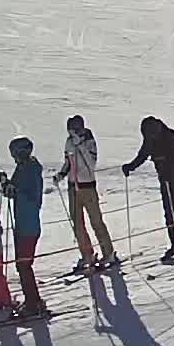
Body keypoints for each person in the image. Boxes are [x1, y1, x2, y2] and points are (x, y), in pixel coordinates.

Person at [123, 117, 174, 263]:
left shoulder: (170, 136)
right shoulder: (150, 139)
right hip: (165, 181)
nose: (149, 137)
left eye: (150, 134)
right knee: (170, 216)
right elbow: (143, 154)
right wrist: (130, 166)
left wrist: (160, 159)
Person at [56, 115, 118, 273]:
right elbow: (68, 162)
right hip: (73, 186)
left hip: (87, 186)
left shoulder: (89, 140)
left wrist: (80, 145)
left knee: (96, 221)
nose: (71, 134)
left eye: (74, 130)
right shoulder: (69, 141)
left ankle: (108, 253)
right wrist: (62, 174)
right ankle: (87, 254)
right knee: (77, 223)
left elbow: (91, 163)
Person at [2, 136, 50, 319]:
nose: (14, 158)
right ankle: (32, 300)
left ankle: (34, 303)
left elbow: (31, 197)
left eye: (15, 154)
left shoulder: (30, 170)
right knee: (22, 265)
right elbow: (13, 190)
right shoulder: (23, 168)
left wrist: (13, 190)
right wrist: (7, 185)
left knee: (24, 265)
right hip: (22, 223)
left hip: (28, 224)